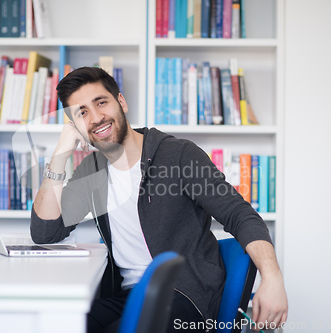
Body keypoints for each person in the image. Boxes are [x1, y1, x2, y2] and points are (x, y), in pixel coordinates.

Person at [31, 67, 288, 333]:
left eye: (101, 102)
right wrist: (60, 154)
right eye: (82, 112)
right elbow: (46, 232)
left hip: (185, 297)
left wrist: (272, 277)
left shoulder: (178, 155)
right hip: (128, 296)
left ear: (121, 102)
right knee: (59, 324)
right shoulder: (92, 170)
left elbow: (239, 214)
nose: (96, 118)